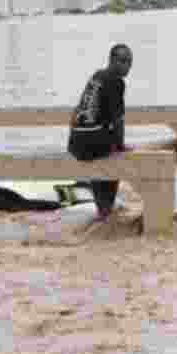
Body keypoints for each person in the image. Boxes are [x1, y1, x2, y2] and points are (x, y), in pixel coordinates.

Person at [68, 43, 134, 221]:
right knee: (116, 160)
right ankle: (106, 210)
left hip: (75, 144)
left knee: (104, 155)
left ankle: (102, 209)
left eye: (129, 62)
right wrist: (120, 146)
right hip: (91, 142)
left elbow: (76, 111)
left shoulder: (96, 77)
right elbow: (118, 120)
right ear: (112, 60)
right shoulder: (116, 81)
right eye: (123, 61)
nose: (127, 66)